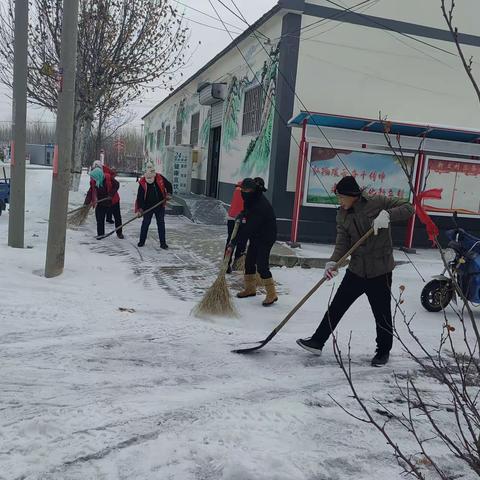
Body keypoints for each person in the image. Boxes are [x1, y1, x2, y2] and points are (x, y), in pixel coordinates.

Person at [296, 175, 414, 367]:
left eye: (342, 197)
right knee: (337, 306)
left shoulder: (377, 202)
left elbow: (409, 207)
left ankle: (383, 352)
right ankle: (317, 341)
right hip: (357, 270)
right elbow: (342, 241)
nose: (340, 201)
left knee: (381, 313)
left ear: (353, 196)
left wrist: (387, 215)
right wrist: (333, 262)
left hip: (380, 271)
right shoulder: (342, 214)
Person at [232, 177, 278, 306]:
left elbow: (249, 228)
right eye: (242, 190)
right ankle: (250, 289)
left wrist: (234, 242)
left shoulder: (260, 205)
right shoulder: (251, 198)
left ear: (251, 190)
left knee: (262, 264)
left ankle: (272, 294)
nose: (242, 192)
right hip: (256, 235)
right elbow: (248, 211)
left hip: (266, 236)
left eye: (245, 190)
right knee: (249, 262)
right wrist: (243, 213)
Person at [136, 163, 172, 249]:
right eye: (147, 178)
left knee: (161, 223)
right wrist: (140, 209)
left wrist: (169, 194)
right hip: (147, 207)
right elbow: (140, 197)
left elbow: (169, 185)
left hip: (160, 205)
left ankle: (163, 243)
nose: (149, 179)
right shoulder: (142, 182)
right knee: (145, 223)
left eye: (150, 177)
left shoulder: (159, 178)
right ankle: (141, 241)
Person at [84, 164, 123, 239]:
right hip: (102, 201)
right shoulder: (94, 181)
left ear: (98, 175)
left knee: (117, 217)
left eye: (94, 177)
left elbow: (117, 185)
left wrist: (110, 195)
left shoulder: (108, 177)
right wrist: (86, 204)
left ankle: (119, 232)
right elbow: (90, 192)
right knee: (99, 217)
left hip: (113, 200)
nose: (93, 179)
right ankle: (101, 234)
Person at [225, 181, 247, 274]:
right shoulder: (244, 192)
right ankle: (237, 263)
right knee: (241, 241)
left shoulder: (236, 191)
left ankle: (226, 263)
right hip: (242, 220)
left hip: (231, 218)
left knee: (230, 241)